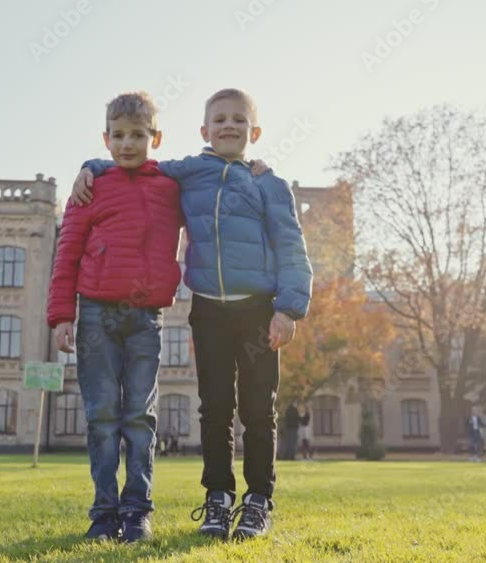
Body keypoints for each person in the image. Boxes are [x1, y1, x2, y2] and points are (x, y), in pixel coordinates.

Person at [74, 88, 313, 541]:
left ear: (254, 132)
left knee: (258, 409)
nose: (228, 126)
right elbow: (137, 161)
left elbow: (291, 247)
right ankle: (218, 499)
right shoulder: (188, 172)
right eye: (219, 120)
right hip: (208, 310)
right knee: (215, 408)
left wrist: (288, 309)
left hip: (258, 310)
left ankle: (257, 501)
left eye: (238, 120)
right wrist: (92, 166)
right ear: (204, 130)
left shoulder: (270, 184)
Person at [47, 92, 186, 543]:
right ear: (106, 139)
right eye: (119, 135)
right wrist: (61, 316)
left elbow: (211, 178)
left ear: (155, 138)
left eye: (138, 135)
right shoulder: (89, 188)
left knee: (140, 418)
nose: (128, 144)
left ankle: (137, 512)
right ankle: (104, 514)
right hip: (96, 316)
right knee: (102, 417)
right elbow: (67, 253)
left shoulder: (171, 186)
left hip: (146, 318)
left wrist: (253, 169)